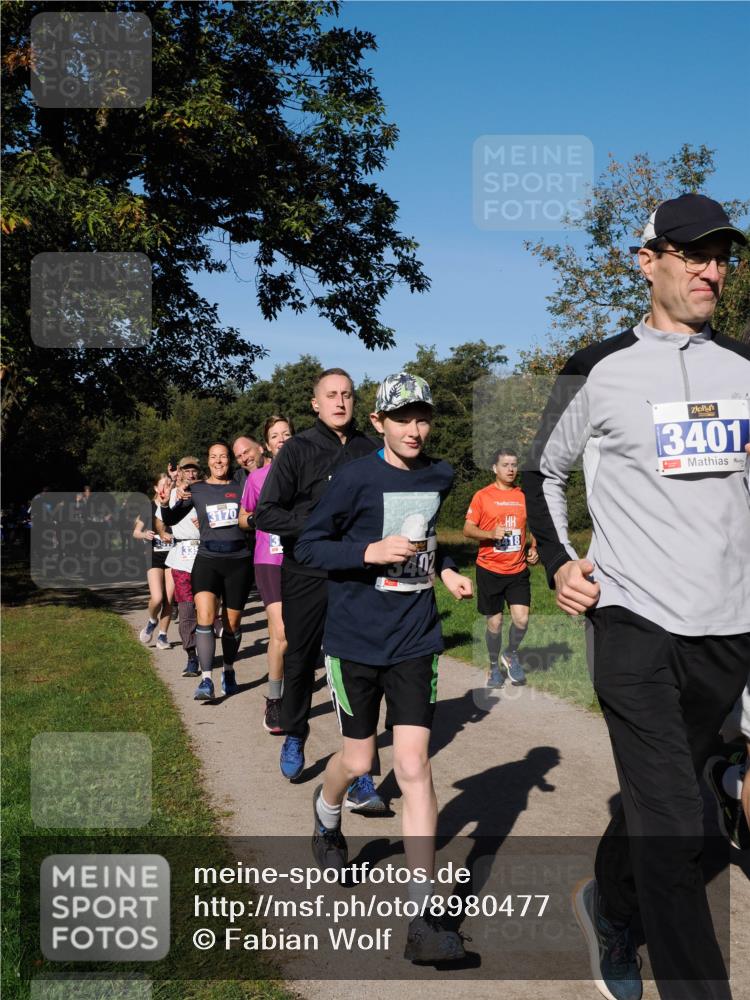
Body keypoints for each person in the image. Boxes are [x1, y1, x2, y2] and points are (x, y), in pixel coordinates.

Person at [523, 193, 750, 1000]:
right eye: (693, 253)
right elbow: (541, 473)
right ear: (647, 259)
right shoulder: (597, 367)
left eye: (721, 255)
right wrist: (558, 560)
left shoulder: (745, 371)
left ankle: (610, 907)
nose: (711, 270)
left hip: (728, 632)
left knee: (668, 795)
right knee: (679, 824)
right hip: (632, 621)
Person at [295, 371, 473, 962]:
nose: (415, 429)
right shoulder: (353, 478)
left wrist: (444, 568)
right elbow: (309, 545)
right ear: (379, 423)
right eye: (402, 418)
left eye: (422, 417)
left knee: (414, 765)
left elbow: (426, 538)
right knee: (359, 760)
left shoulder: (440, 474)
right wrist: (367, 552)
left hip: (415, 638)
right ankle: (325, 818)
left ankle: (422, 918)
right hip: (353, 641)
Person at [255, 368, 385, 811]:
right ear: (315, 403)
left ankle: (361, 769)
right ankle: (294, 733)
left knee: (358, 667)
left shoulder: (372, 450)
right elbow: (266, 513)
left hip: (357, 572)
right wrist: (318, 527)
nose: (340, 402)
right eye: (331, 395)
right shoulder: (297, 450)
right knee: (299, 657)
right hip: (307, 570)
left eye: (347, 395)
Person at [161, 442, 253, 702]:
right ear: (208, 461)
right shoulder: (197, 489)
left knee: (232, 624)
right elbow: (170, 519)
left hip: (238, 561)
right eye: (213, 457)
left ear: (229, 460)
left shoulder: (241, 487)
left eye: (223, 456)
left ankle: (229, 670)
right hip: (207, 560)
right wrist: (166, 504)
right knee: (205, 617)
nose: (218, 461)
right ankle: (206, 679)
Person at [463, 448, 539, 687]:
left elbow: (534, 526)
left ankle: (510, 653)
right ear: (495, 468)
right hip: (489, 570)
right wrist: (489, 533)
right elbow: (467, 529)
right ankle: (494, 666)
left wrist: (534, 548)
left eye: (514, 464)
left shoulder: (524, 496)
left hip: (517, 571)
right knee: (494, 624)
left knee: (522, 620)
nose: (511, 469)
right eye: (505, 465)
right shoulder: (482, 496)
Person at [239, 415, 294, 733]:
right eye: (276, 435)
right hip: (270, 559)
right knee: (281, 632)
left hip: (303, 560)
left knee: (301, 635)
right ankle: (274, 700)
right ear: (267, 444)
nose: (282, 438)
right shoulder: (258, 478)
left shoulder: (307, 474)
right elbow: (243, 518)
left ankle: (293, 691)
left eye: (287, 432)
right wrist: (262, 520)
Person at [164, 456, 202, 677]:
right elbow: (162, 519)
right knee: (187, 608)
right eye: (186, 470)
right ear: (179, 472)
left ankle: (207, 649)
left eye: (194, 470)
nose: (191, 474)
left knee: (205, 608)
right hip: (181, 557)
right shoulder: (170, 494)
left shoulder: (206, 492)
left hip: (205, 554)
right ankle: (191, 655)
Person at [133, 473, 175, 650]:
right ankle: (152, 621)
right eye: (163, 485)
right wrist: (144, 534)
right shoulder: (148, 507)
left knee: (169, 599)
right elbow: (136, 532)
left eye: (168, 484)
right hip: (153, 556)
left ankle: (163, 636)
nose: (166, 488)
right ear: (157, 489)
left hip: (173, 556)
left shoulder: (175, 506)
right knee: (157, 598)